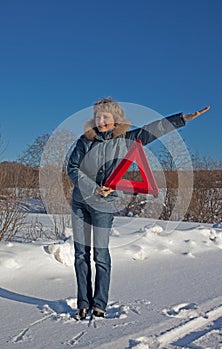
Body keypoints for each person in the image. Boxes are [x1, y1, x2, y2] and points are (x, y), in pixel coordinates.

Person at [67, 97, 210, 320]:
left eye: (105, 117)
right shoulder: (85, 141)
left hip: (104, 205)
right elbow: (72, 168)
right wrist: (94, 188)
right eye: (97, 116)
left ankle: (99, 304)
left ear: (116, 119)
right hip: (80, 202)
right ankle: (83, 303)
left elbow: (153, 130)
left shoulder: (126, 139)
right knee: (80, 254)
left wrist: (182, 119)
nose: (101, 121)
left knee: (101, 255)